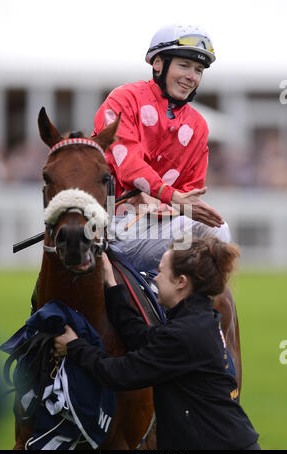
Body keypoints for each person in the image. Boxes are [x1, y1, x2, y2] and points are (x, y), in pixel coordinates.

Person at [54, 237, 260, 450]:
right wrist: (112, 286)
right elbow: (142, 337)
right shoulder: (198, 318)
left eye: (162, 272)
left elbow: (119, 373)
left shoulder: (186, 334)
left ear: (181, 282)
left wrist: (75, 346)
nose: (156, 279)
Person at [92, 23, 231, 272]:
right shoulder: (123, 98)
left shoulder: (198, 125)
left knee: (217, 230)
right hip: (104, 228)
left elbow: (190, 192)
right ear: (158, 64)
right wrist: (169, 195)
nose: (192, 76)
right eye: (184, 65)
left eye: (198, 70)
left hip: (157, 232)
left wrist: (164, 202)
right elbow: (129, 166)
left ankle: (193, 309)